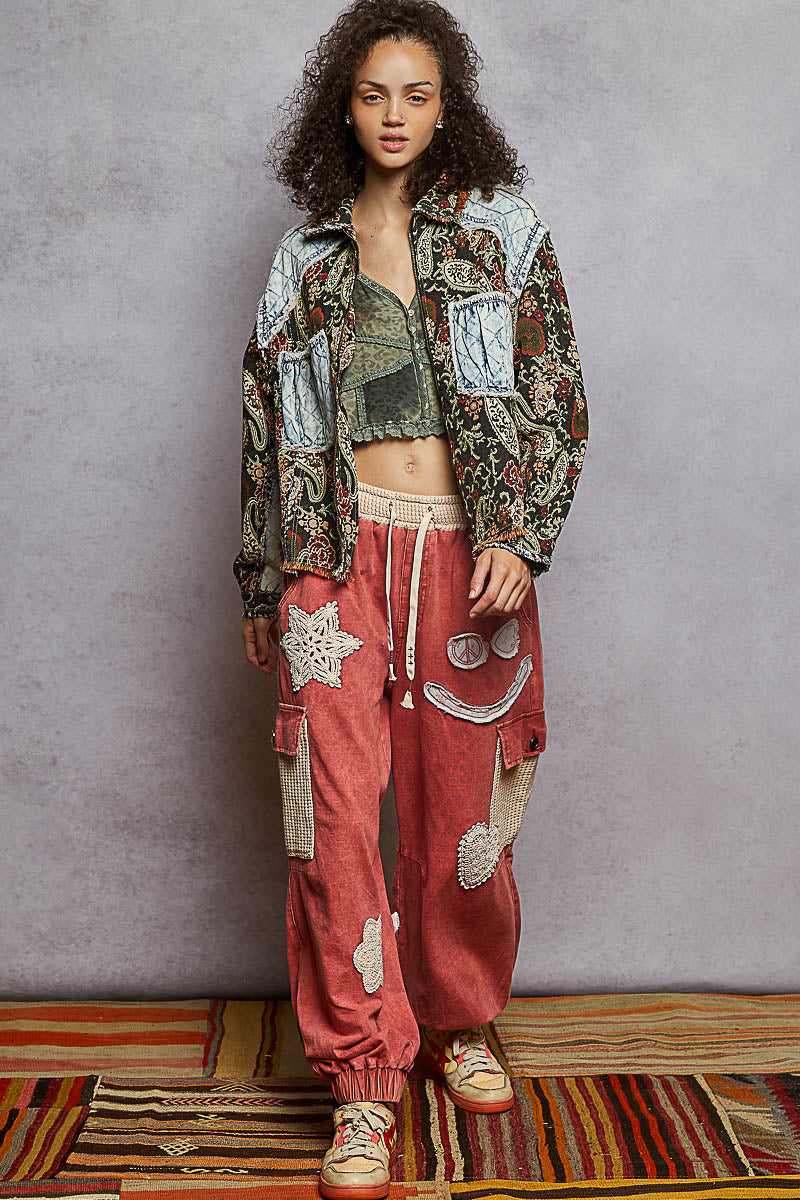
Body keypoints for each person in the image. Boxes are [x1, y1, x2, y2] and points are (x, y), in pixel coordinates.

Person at [233, 1, 589, 1194]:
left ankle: (460, 1017)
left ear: (448, 108)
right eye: (373, 93)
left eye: (417, 94)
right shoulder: (303, 256)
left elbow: (556, 397)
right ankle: (361, 1084)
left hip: (462, 558)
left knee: (460, 816)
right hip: (330, 559)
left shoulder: (501, 232)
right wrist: (261, 578)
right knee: (332, 822)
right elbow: (260, 427)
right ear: (342, 106)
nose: (393, 115)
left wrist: (522, 535)